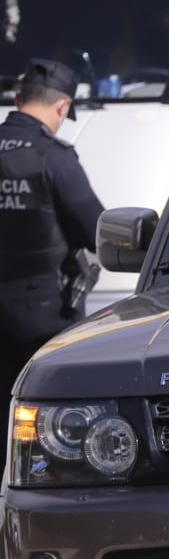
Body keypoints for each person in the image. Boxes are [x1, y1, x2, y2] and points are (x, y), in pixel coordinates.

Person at [0, 58, 105, 395]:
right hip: (45, 314)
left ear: (18, 101)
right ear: (62, 106)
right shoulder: (54, 157)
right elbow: (96, 232)